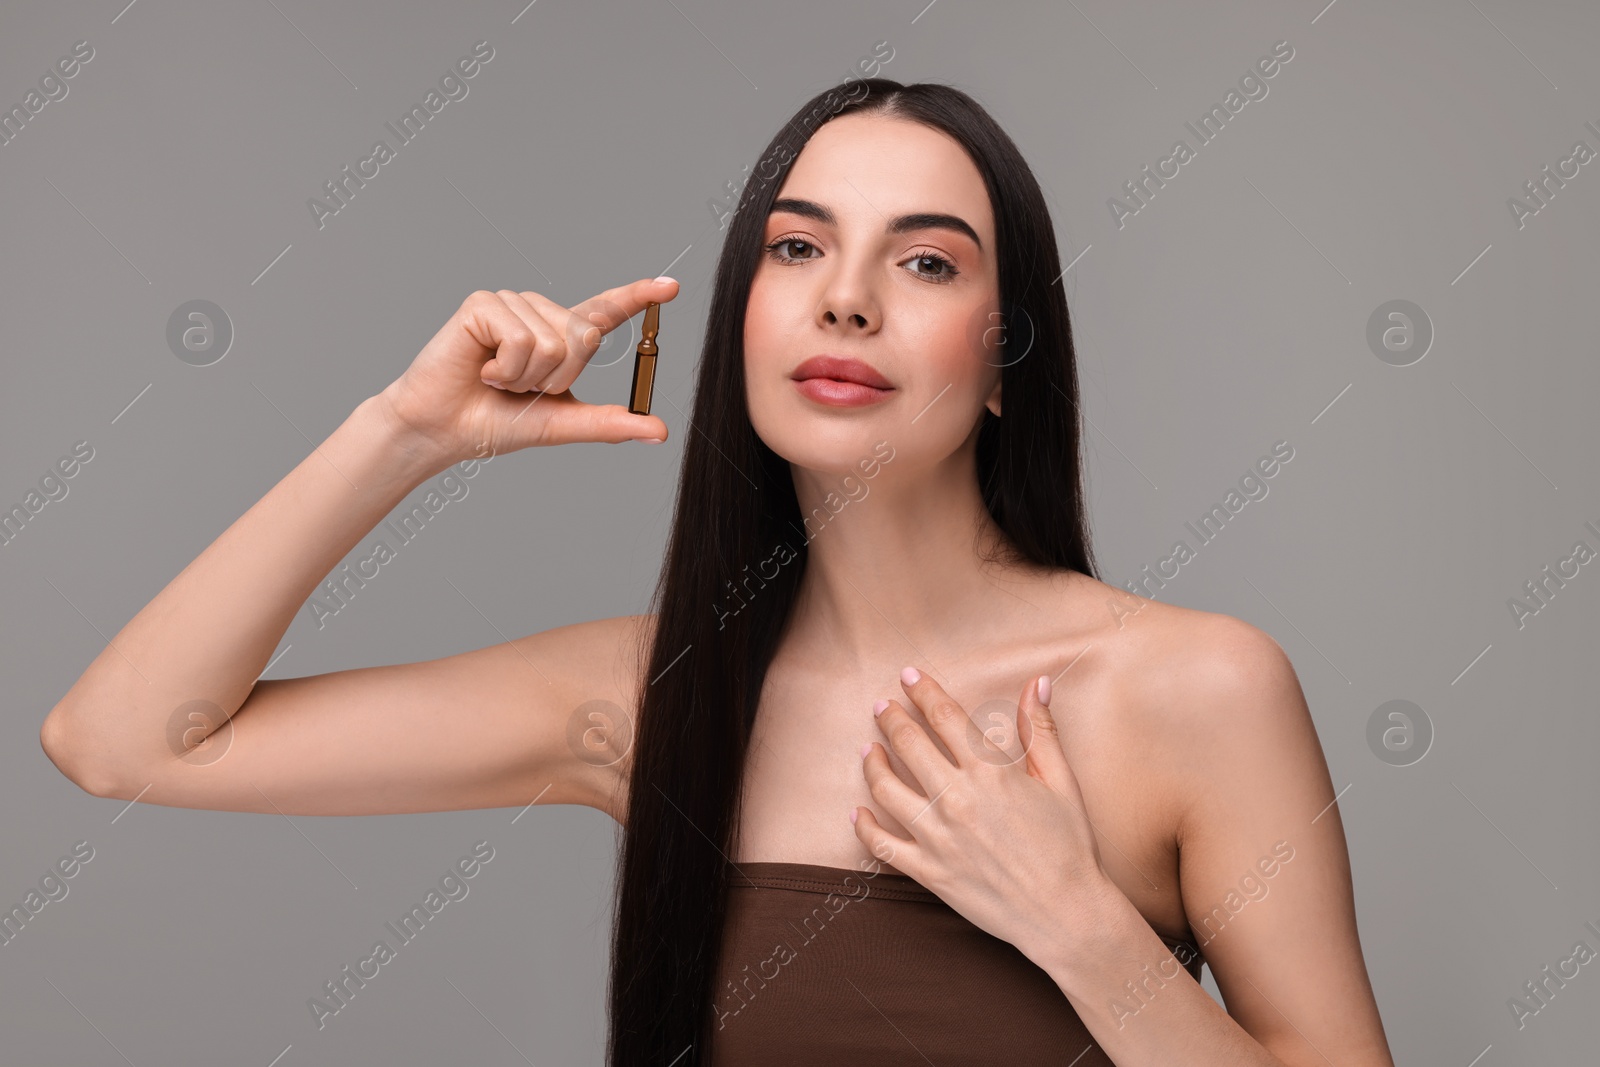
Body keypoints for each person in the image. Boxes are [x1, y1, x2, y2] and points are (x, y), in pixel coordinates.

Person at [41, 79, 1395, 1066]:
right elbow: (120, 741)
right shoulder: (647, 699)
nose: (845, 297)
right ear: (743, 317)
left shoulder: (1193, 690)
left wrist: (1077, 923)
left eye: (923, 262)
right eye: (797, 248)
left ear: (1003, 364)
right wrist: (402, 436)